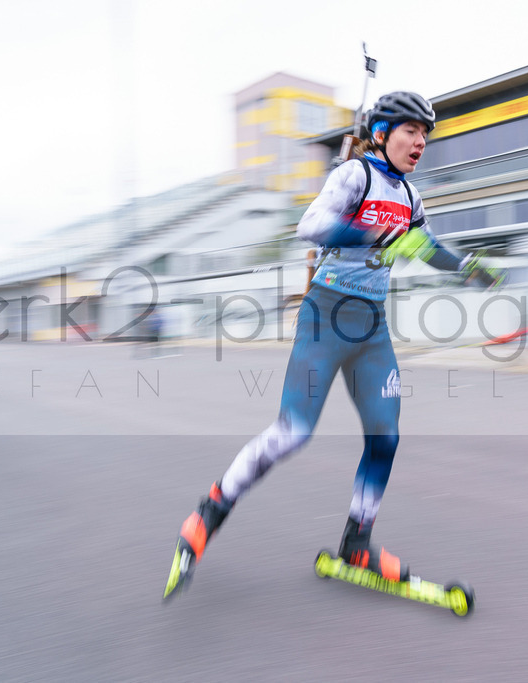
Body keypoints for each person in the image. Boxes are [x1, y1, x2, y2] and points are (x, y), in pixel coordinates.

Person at [164, 91, 503, 599]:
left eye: (426, 133)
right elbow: (311, 225)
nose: (421, 142)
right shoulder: (354, 177)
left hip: (370, 328)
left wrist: (466, 268)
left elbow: (424, 244)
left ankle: (356, 542)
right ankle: (209, 511)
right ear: (383, 133)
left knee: (385, 436)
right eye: (411, 131)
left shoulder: (411, 196)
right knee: (293, 432)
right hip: (325, 319)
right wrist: (378, 236)